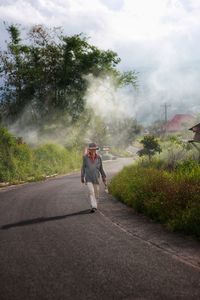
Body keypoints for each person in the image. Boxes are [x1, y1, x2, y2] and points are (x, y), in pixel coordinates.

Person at [81, 142, 107, 213]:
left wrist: (104, 177)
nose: (93, 150)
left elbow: (101, 168)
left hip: (96, 178)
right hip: (88, 178)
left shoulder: (99, 157)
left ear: (96, 149)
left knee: (96, 193)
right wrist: (82, 177)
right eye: (92, 149)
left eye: (94, 149)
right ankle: (94, 206)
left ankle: (95, 204)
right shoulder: (85, 157)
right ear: (89, 150)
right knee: (91, 192)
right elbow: (83, 168)